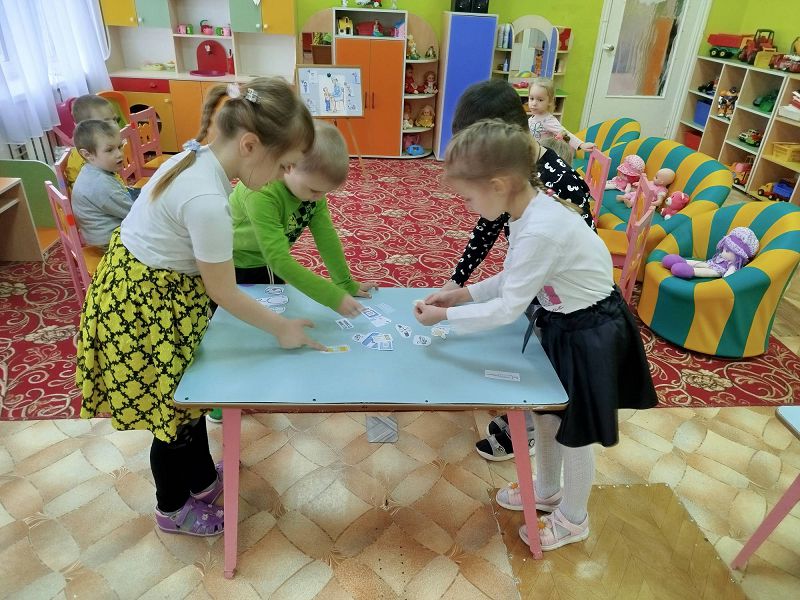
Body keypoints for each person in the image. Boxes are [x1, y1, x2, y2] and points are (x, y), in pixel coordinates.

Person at [76, 78, 326, 538]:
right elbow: (224, 291)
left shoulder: (195, 156)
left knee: (188, 402)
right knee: (172, 420)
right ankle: (171, 509)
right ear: (250, 145)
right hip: (143, 309)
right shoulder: (208, 200)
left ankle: (202, 480)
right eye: (283, 164)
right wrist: (282, 327)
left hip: (157, 293)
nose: (282, 176)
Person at [414, 119, 657, 551]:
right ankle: (546, 490)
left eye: (469, 197)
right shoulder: (526, 213)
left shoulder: (542, 227)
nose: (468, 207)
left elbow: (509, 307)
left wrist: (445, 317)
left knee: (576, 432)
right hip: (563, 323)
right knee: (546, 414)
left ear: (498, 185)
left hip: (590, 332)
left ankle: (574, 519)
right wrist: (461, 295)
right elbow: (514, 277)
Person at [445, 78, 595, 460]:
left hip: (567, 302)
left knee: (547, 370)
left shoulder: (558, 184)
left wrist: (452, 312)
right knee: (525, 351)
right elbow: (488, 227)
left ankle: (528, 428)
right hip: (536, 283)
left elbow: (569, 265)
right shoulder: (510, 173)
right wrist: (457, 282)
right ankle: (525, 418)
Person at [229, 120, 377, 314]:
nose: (319, 198)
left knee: (273, 311)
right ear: (289, 165)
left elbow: (326, 237)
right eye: (314, 190)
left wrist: (344, 282)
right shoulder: (260, 192)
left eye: (324, 191)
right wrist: (333, 297)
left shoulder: (312, 193)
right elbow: (278, 260)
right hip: (240, 262)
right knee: (245, 316)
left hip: (269, 258)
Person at [70, 120, 135, 248]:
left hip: (101, 234)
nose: (119, 154)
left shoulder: (91, 170)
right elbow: (134, 213)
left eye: (120, 146)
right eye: (109, 150)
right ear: (87, 155)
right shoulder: (101, 185)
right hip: (111, 242)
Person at [64, 95, 124, 190]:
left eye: (115, 120)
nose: (115, 125)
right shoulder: (84, 158)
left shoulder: (103, 147)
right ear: (86, 126)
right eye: (105, 123)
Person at [527, 78, 594, 152]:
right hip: (532, 151)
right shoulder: (535, 116)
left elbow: (564, 133)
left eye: (540, 100)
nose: (534, 103)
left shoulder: (548, 120)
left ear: (550, 101)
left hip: (542, 155)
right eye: (531, 98)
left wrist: (581, 145)